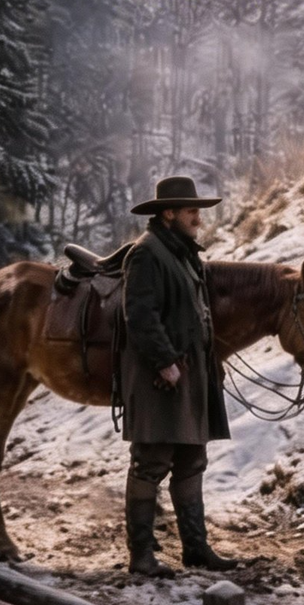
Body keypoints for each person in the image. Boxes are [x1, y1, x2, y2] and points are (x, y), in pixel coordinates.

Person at [118, 176, 236, 577]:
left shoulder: (183, 253)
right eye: (192, 212)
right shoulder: (147, 254)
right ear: (168, 213)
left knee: (191, 460)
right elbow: (139, 315)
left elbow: (198, 314)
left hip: (189, 375)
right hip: (161, 378)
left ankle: (196, 549)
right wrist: (164, 361)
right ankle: (141, 556)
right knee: (150, 462)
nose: (198, 220)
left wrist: (209, 360)